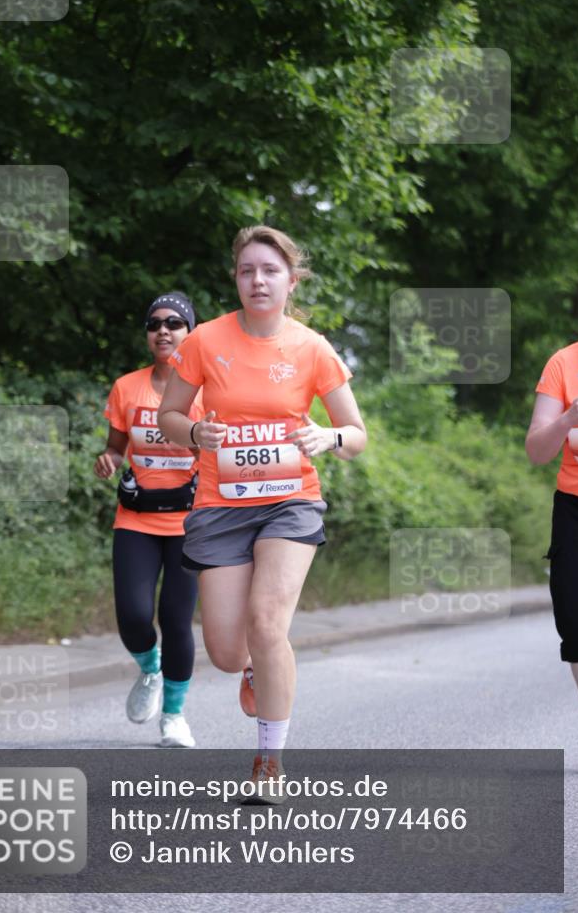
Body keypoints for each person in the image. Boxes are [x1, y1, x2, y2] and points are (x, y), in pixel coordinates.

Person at [158, 226, 367, 797]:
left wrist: (330, 438)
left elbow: (357, 433)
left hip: (290, 501)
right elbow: (168, 417)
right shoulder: (204, 340)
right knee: (228, 652)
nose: (258, 280)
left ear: (290, 280)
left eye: (270, 271)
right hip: (220, 505)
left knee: (269, 623)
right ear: (236, 278)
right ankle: (254, 666)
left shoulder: (312, 347)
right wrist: (197, 430)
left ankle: (269, 762)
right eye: (247, 270)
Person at [94, 292, 203, 748]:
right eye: (155, 323)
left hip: (189, 523)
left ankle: (174, 718)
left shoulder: (209, 390)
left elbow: (225, 451)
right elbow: (117, 444)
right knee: (134, 617)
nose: (163, 330)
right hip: (136, 519)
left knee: (177, 620)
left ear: (190, 333)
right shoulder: (127, 387)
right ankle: (149, 669)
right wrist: (110, 458)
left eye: (175, 323)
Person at [525, 337, 578, 772]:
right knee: (577, 621)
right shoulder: (565, 362)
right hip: (575, 511)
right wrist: (567, 419)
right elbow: (536, 452)